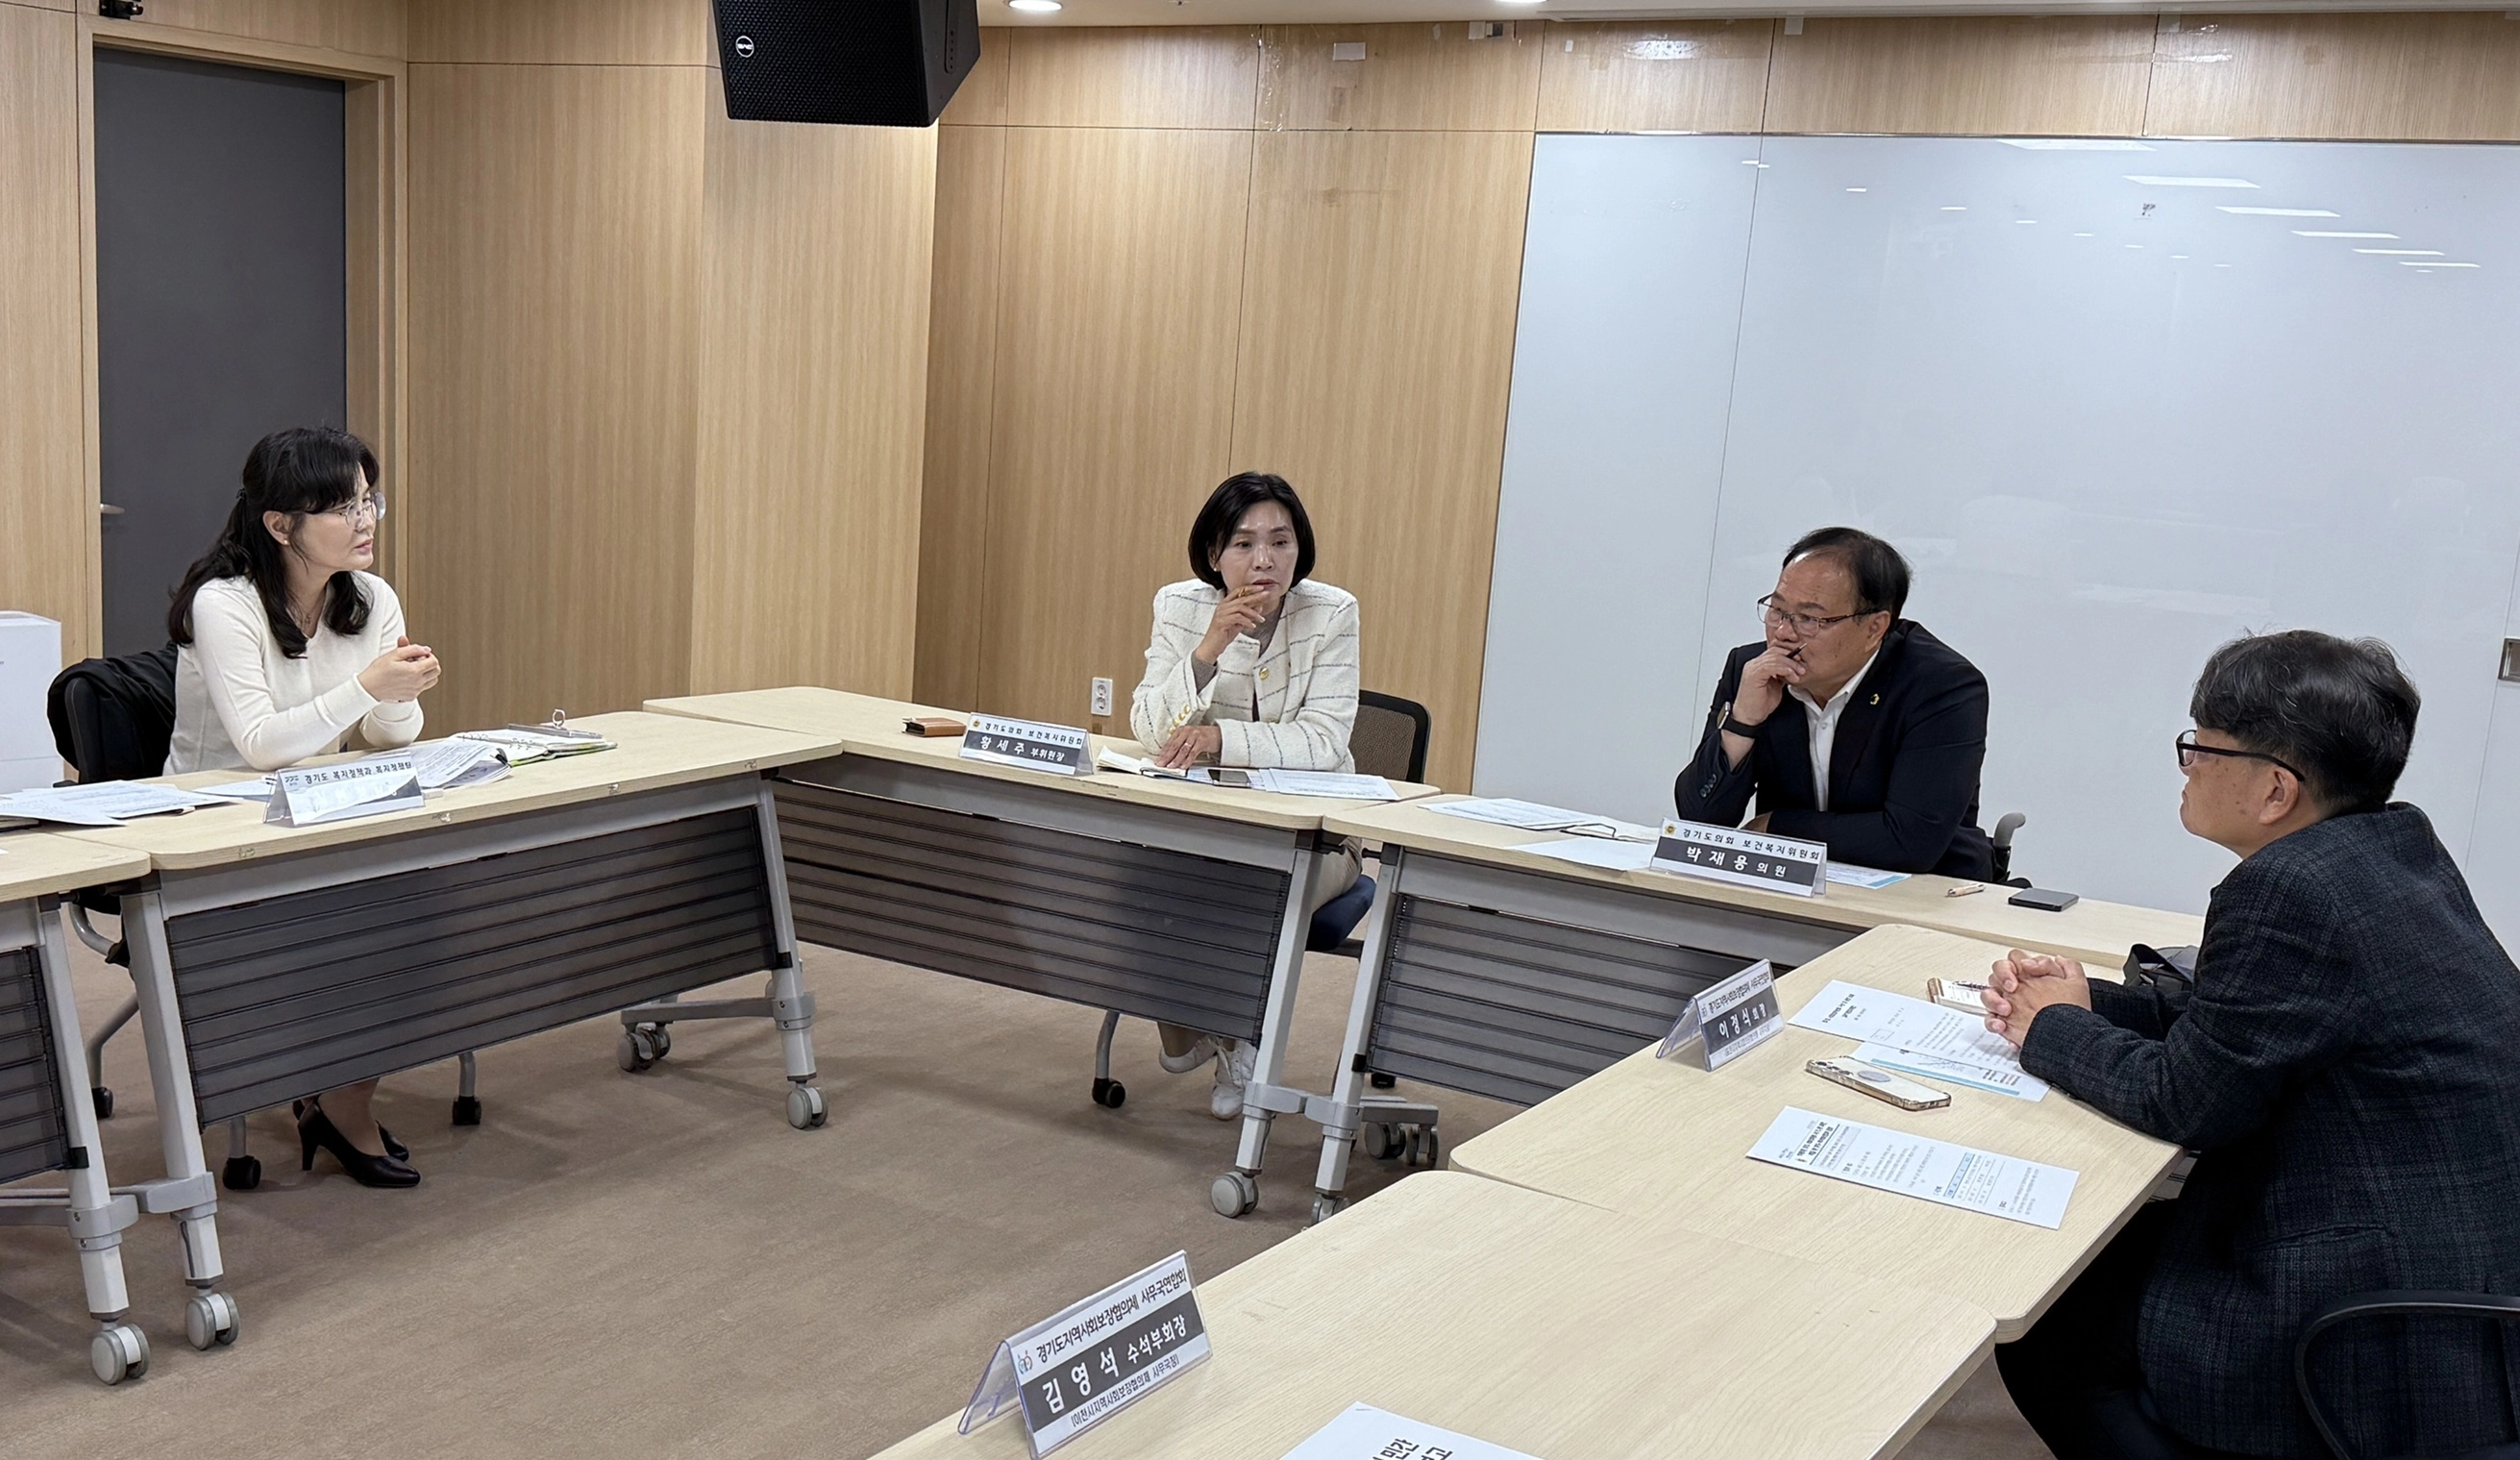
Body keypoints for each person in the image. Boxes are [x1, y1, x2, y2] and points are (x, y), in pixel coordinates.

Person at [1981, 631, 2520, 1460]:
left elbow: (2188, 1102)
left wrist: (2049, 1027)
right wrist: (2089, 1002)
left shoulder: (2290, 888)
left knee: (2051, 1327)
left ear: (2275, 788)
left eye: (2202, 745)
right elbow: (2254, 1028)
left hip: (2374, 1308)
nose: (2187, 764)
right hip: (2455, 1258)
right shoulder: (2392, 845)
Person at [166, 426, 441, 1189]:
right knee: (361, 920)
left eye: (369, 501)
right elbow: (260, 744)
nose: (365, 521)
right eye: (341, 507)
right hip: (216, 828)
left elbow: (390, 737)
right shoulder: (225, 604)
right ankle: (336, 1100)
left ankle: (341, 1094)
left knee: (423, 901)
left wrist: (399, 693)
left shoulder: (371, 597)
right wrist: (367, 686)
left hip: (317, 813)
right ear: (281, 524)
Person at [1130, 472, 1362, 1119]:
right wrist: (1210, 647)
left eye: (1280, 542)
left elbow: (1324, 740)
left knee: (1241, 893)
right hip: (1210, 827)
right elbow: (1150, 729)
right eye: (1244, 543)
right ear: (1213, 554)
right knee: (1138, 879)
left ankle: (1235, 1039)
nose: (1265, 560)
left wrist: (1218, 738)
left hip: (1316, 838)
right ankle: (1208, 1033)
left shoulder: (1331, 612)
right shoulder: (1179, 606)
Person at [1673, 526, 1995, 878]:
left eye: (1809, 619)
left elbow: (1909, 842)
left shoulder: (1940, 687)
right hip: (1792, 888)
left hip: (1930, 890)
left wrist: (1776, 827)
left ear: (1874, 628)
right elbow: (1700, 819)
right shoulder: (1753, 672)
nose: (1783, 633)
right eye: (1777, 610)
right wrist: (1743, 721)